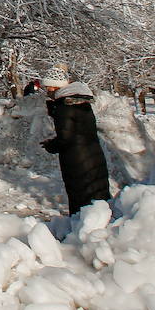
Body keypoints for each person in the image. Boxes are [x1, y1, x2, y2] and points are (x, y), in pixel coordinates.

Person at [40, 66, 111, 215]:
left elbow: (66, 138)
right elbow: (77, 132)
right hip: (92, 155)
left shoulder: (64, 107)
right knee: (97, 196)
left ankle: (81, 229)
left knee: (81, 199)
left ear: (55, 86)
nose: (47, 90)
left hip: (77, 161)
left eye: (48, 87)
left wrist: (51, 145)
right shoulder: (80, 103)